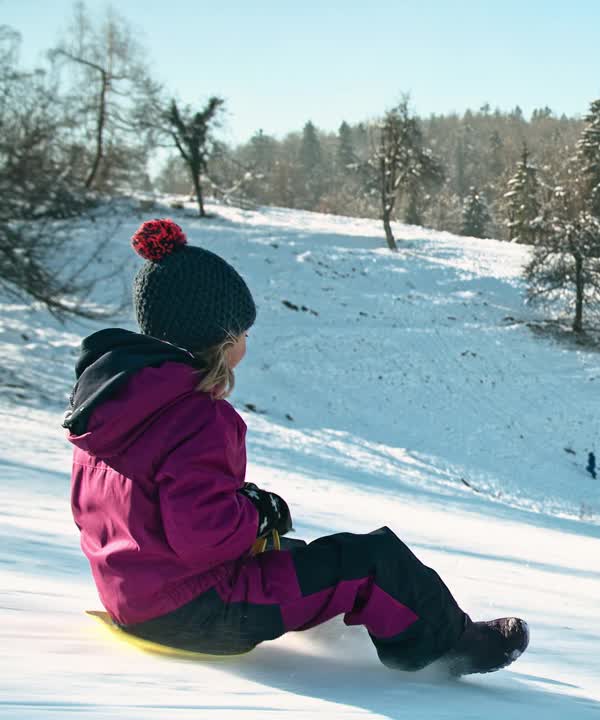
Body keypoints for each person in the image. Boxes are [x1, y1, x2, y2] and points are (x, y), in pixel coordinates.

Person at [65, 218, 527, 674]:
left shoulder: (113, 406)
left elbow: (144, 505)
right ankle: (452, 647)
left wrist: (245, 504)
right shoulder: (200, 417)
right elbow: (203, 537)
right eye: (243, 334)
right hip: (197, 613)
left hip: (135, 595)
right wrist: (256, 513)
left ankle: (343, 630)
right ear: (222, 341)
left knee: (291, 552)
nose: (246, 343)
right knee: (371, 559)